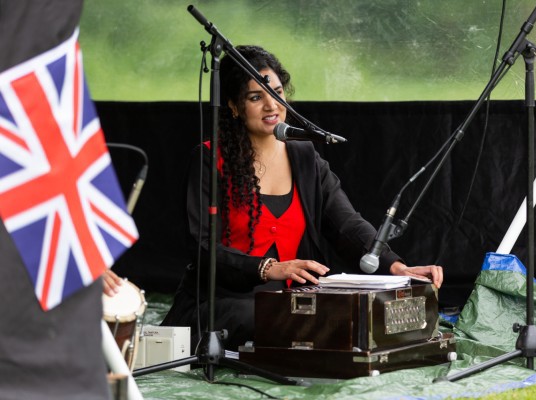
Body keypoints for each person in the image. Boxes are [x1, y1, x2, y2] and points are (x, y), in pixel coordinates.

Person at [161, 45, 444, 351]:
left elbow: (346, 224)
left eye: (278, 92)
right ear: (233, 106)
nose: (272, 106)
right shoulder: (208, 159)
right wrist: (268, 269)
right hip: (223, 303)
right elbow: (201, 246)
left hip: (292, 302)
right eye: (256, 97)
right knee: (271, 319)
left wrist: (394, 267)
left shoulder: (305, 157)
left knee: (350, 316)